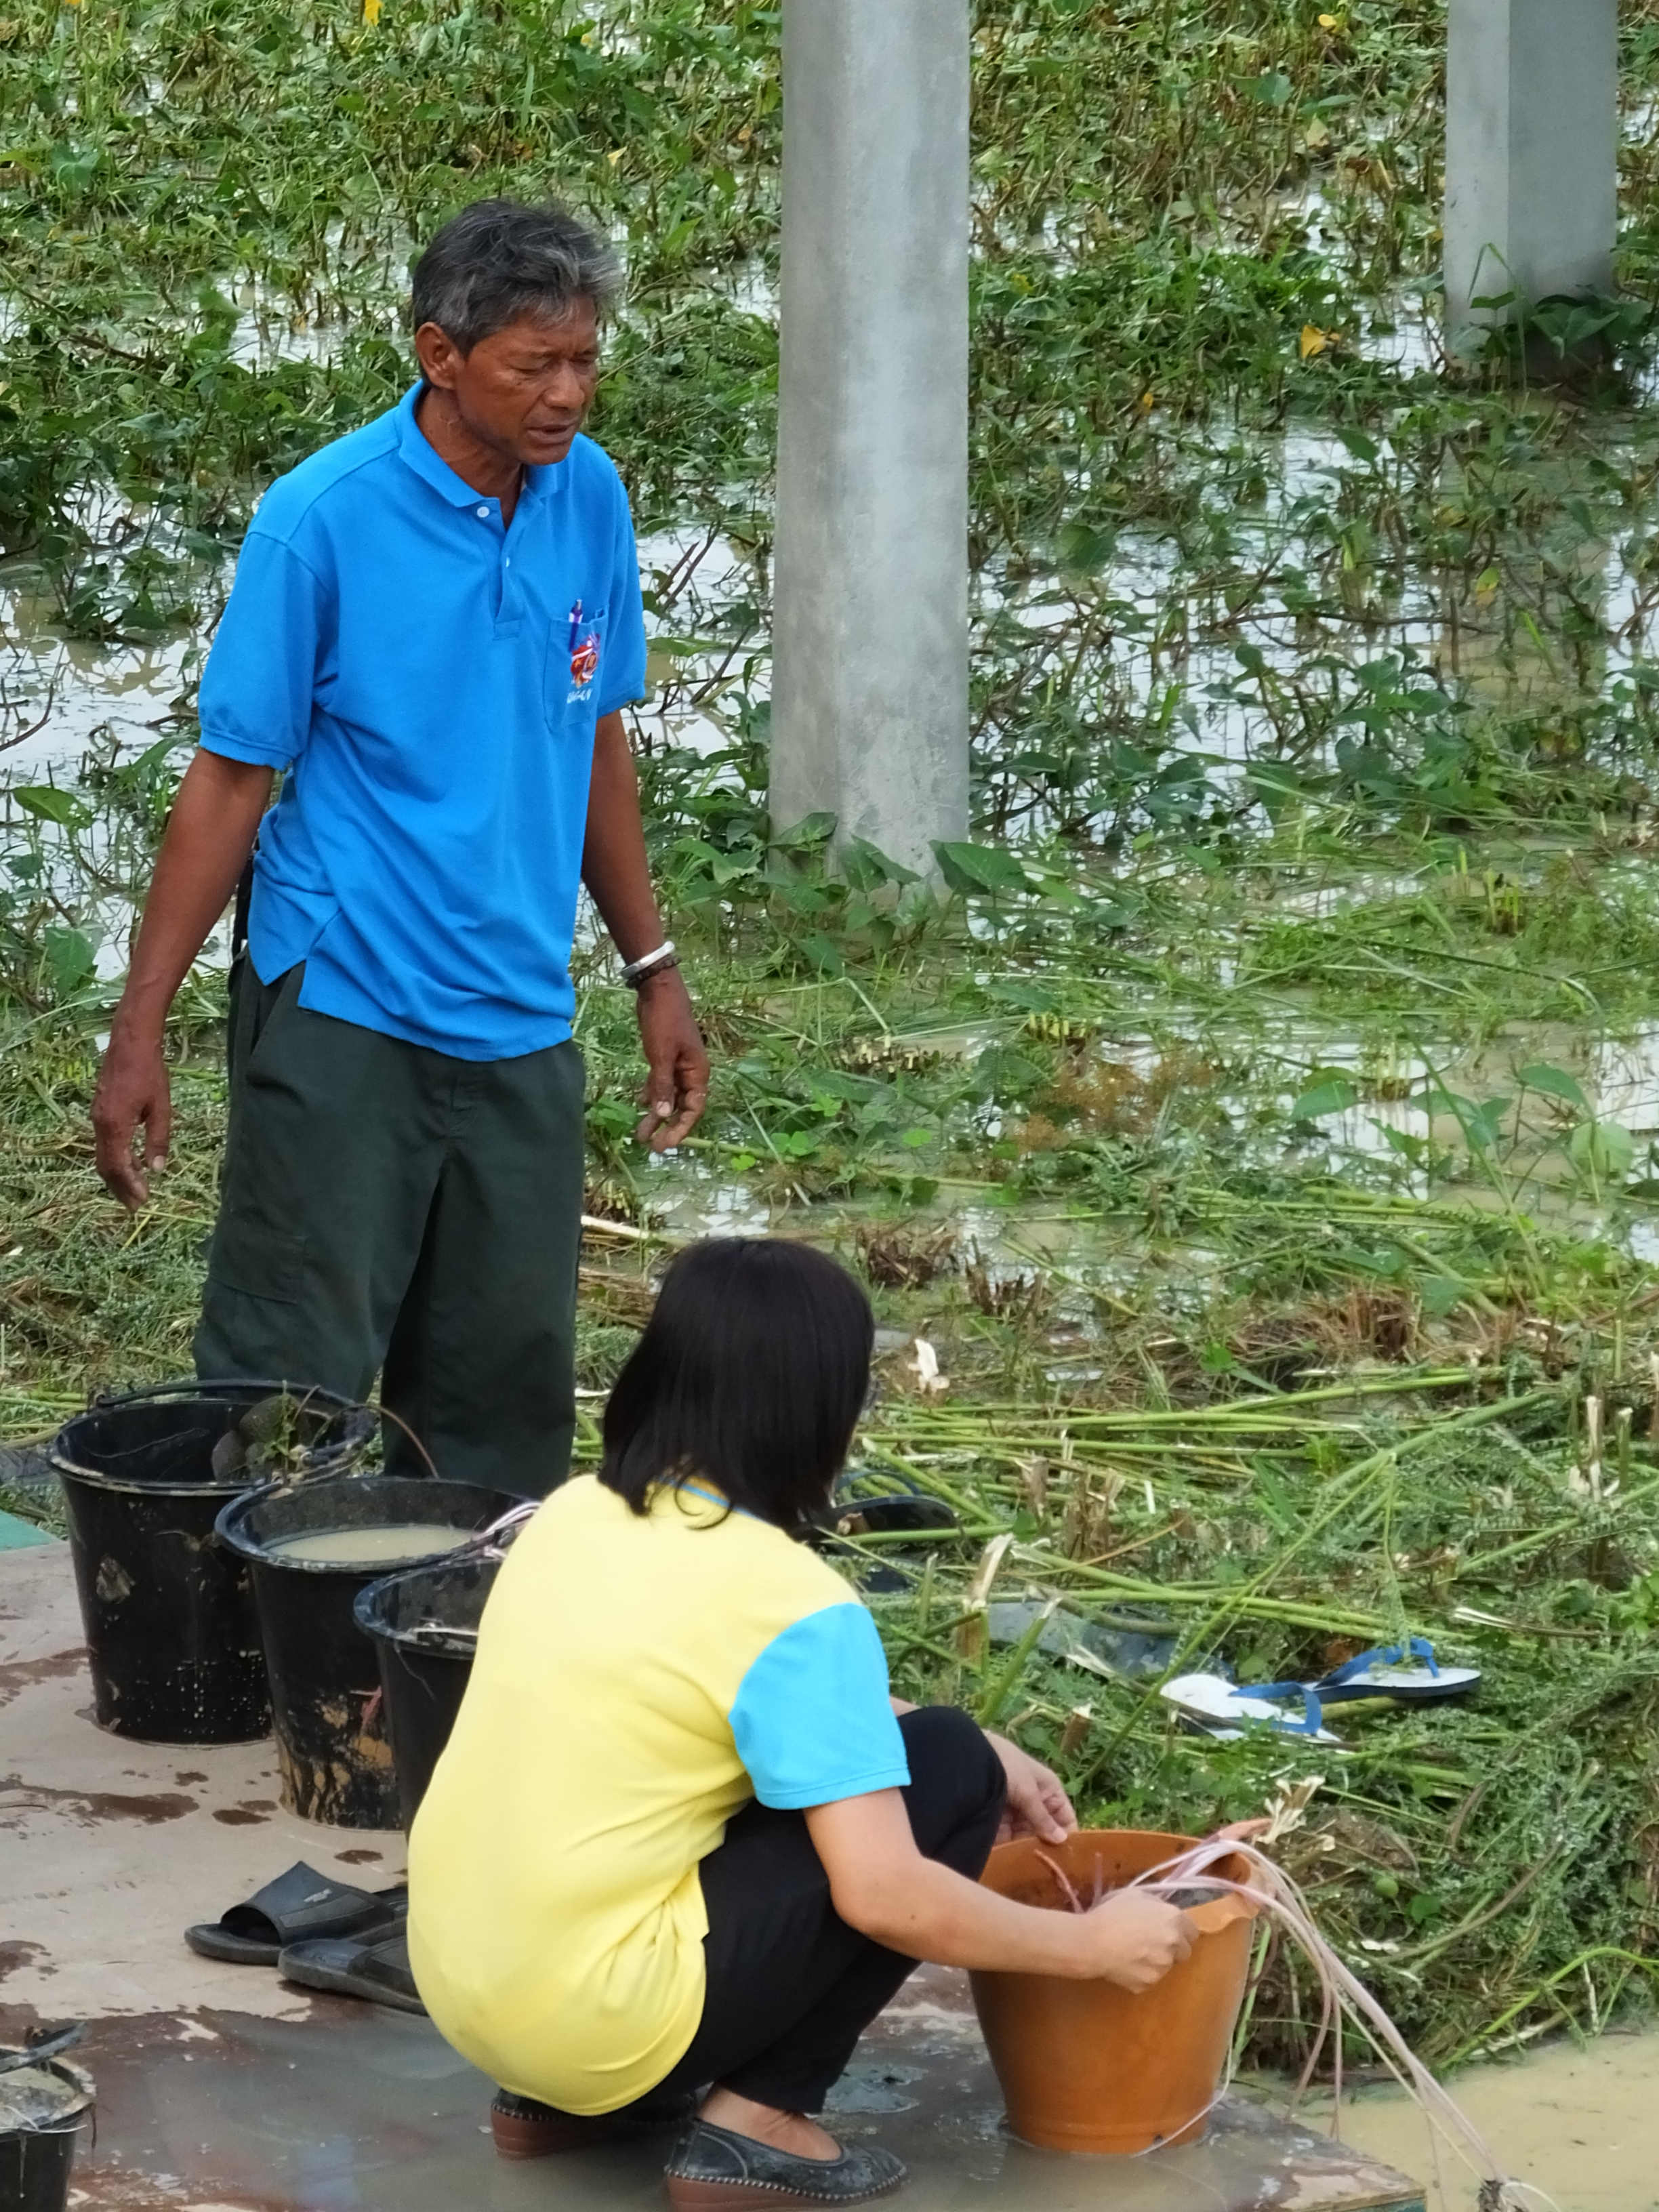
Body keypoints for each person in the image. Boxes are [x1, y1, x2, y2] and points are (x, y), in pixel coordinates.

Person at [89, 200, 708, 1494]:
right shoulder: (322, 521)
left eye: (585, 361)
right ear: (440, 354)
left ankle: (452, 1622)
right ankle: (264, 1618)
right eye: (533, 365)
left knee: (498, 1407)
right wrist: (138, 1031)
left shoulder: (588, 498)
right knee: (289, 1396)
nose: (567, 395)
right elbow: (230, 781)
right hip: (347, 1011)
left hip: (522, 1017)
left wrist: (652, 968)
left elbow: (592, 733)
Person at [407, 1238, 1201, 2210]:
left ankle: (558, 2112)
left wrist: (959, 1736)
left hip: (468, 1988)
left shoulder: (574, 1514)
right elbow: (886, 1897)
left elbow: (693, 1687)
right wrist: (1094, 1947)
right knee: (947, 1764)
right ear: (820, 1409)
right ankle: (762, 2126)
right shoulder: (791, 1598)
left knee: (933, 1751)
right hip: (598, 2019)